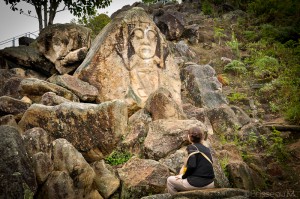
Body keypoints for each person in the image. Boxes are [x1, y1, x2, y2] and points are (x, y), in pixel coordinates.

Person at [167, 126, 215, 195]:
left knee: (170, 180)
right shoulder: (207, 149)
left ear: (189, 137)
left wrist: (183, 176)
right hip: (210, 183)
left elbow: (192, 166)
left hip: (196, 184)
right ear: (202, 137)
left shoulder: (192, 148)